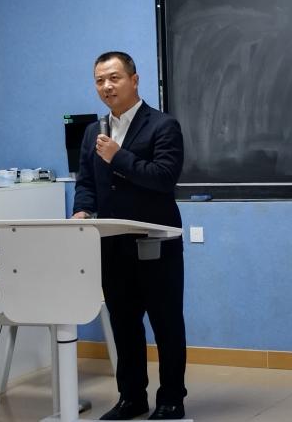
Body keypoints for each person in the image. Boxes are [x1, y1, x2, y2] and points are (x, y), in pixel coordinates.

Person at [72, 51, 187, 420]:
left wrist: (118, 156)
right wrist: (82, 210)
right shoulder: (93, 131)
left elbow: (163, 178)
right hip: (112, 243)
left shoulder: (163, 126)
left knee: (166, 323)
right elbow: (86, 182)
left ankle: (171, 399)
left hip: (155, 241)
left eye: (114, 78)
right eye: (99, 80)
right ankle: (131, 397)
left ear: (134, 80)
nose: (106, 86)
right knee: (123, 323)